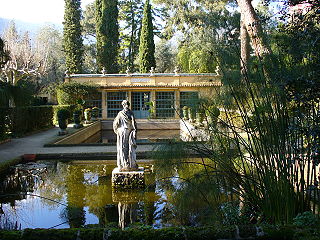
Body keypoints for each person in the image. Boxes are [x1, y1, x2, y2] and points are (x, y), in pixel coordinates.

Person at [113, 100, 138, 171]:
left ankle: (125, 164)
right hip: (128, 131)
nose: (126, 106)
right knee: (127, 147)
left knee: (123, 147)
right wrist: (135, 130)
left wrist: (116, 130)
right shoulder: (129, 112)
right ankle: (127, 164)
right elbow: (133, 122)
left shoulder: (121, 113)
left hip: (123, 131)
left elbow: (116, 124)